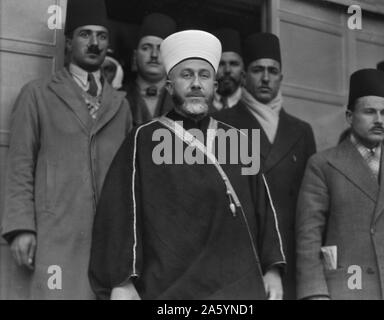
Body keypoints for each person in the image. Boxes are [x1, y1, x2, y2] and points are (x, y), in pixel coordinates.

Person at [89, 30, 286, 300]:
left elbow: (265, 209)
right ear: (169, 86)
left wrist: (272, 270)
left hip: (235, 290)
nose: (196, 83)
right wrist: (123, 281)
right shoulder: (144, 139)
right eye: (186, 75)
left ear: (214, 86)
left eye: (204, 75)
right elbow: (122, 214)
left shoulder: (239, 141)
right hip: (169, 289)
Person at [1, 0, 132, 299]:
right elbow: (20, 164)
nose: (94, 43)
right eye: (85, 35)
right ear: (69, 42)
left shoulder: (120, 106)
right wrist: (22, 227)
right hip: (56, 235)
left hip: (106, 241)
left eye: (101, 36)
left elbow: (128, 179)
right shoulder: (38, 95)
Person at [215, 32, 316, 300]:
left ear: (281, 78)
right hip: (239, 255)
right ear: (244, 75)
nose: (266, 78)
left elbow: (310, 208)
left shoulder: (301, 131)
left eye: (273, 71)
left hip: (289, 256)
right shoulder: (221, 124)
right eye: (258, 70)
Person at [296, 69, 384, 300]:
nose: (379, 120)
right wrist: (315, 293)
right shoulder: (323, 165)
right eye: (369, 112)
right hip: (346, 289)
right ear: (350, 117)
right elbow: (309, 236)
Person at [123, 13, 176, 125]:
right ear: (134, 57)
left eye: (161, 49)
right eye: (146, 48)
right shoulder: (117, 98)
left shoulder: (182, 101)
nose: (154, 55)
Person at [211, 28, 244, 112]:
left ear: (243, 70)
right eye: (221, 64)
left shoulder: (253, 108)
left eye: (233, 64)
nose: (227, 70)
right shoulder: (199, 104)